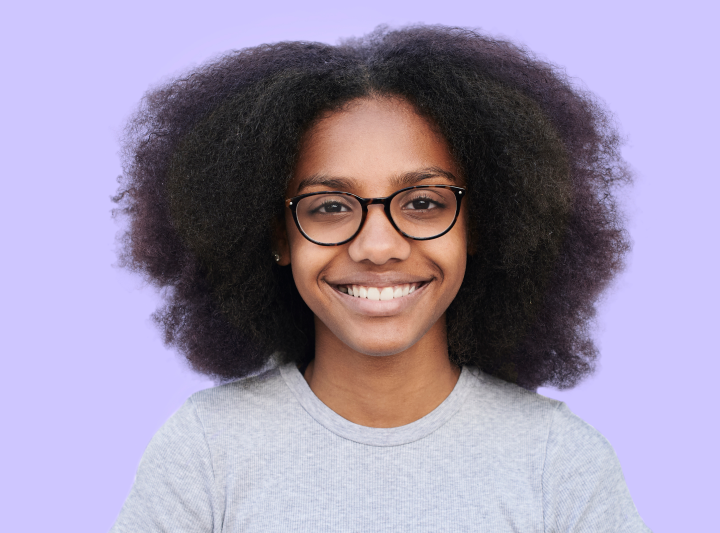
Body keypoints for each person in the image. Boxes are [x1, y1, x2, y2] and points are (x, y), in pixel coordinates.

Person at [110, 25, 649, 532]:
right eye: (329, 207)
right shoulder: (205, 450)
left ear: (481, 227)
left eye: (422, 202)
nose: (378, 247)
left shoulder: (559, 461)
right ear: (277, 237)